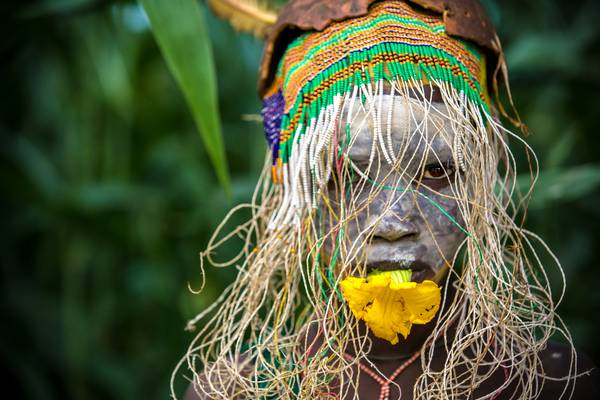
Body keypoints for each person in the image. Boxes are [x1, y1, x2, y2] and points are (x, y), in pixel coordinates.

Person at [178, 1, 598, 398]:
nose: (392, 223)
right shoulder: (238, 390)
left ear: (480, 181)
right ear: (296, 189)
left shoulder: (552, 384)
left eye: (436, 172)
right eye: (349, 175)